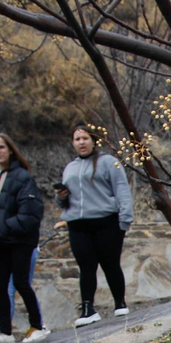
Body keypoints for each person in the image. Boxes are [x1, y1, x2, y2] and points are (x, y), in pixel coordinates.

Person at [57, 125, 133, 327]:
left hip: (106, 221)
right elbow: (65, 201)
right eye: (77, 139)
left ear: (93, 140)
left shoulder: (109, 162)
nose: (81, 142)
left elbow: (122, 190)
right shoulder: (69, 168)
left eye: (85, 138)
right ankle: (88, 308)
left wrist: (125, 220)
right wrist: (61, 198)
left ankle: (120, 302)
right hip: (77, 224)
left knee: (110, 263)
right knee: (86, 266)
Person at [0, 133, 49, 343]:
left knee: (20, 282)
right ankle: (6, 332)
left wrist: (2, 226)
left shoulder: (22, 177)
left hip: (20, 239)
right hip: (1, 239)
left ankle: (38, 325)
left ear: (10, 150)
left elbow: (30, 213)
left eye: (1, 147)